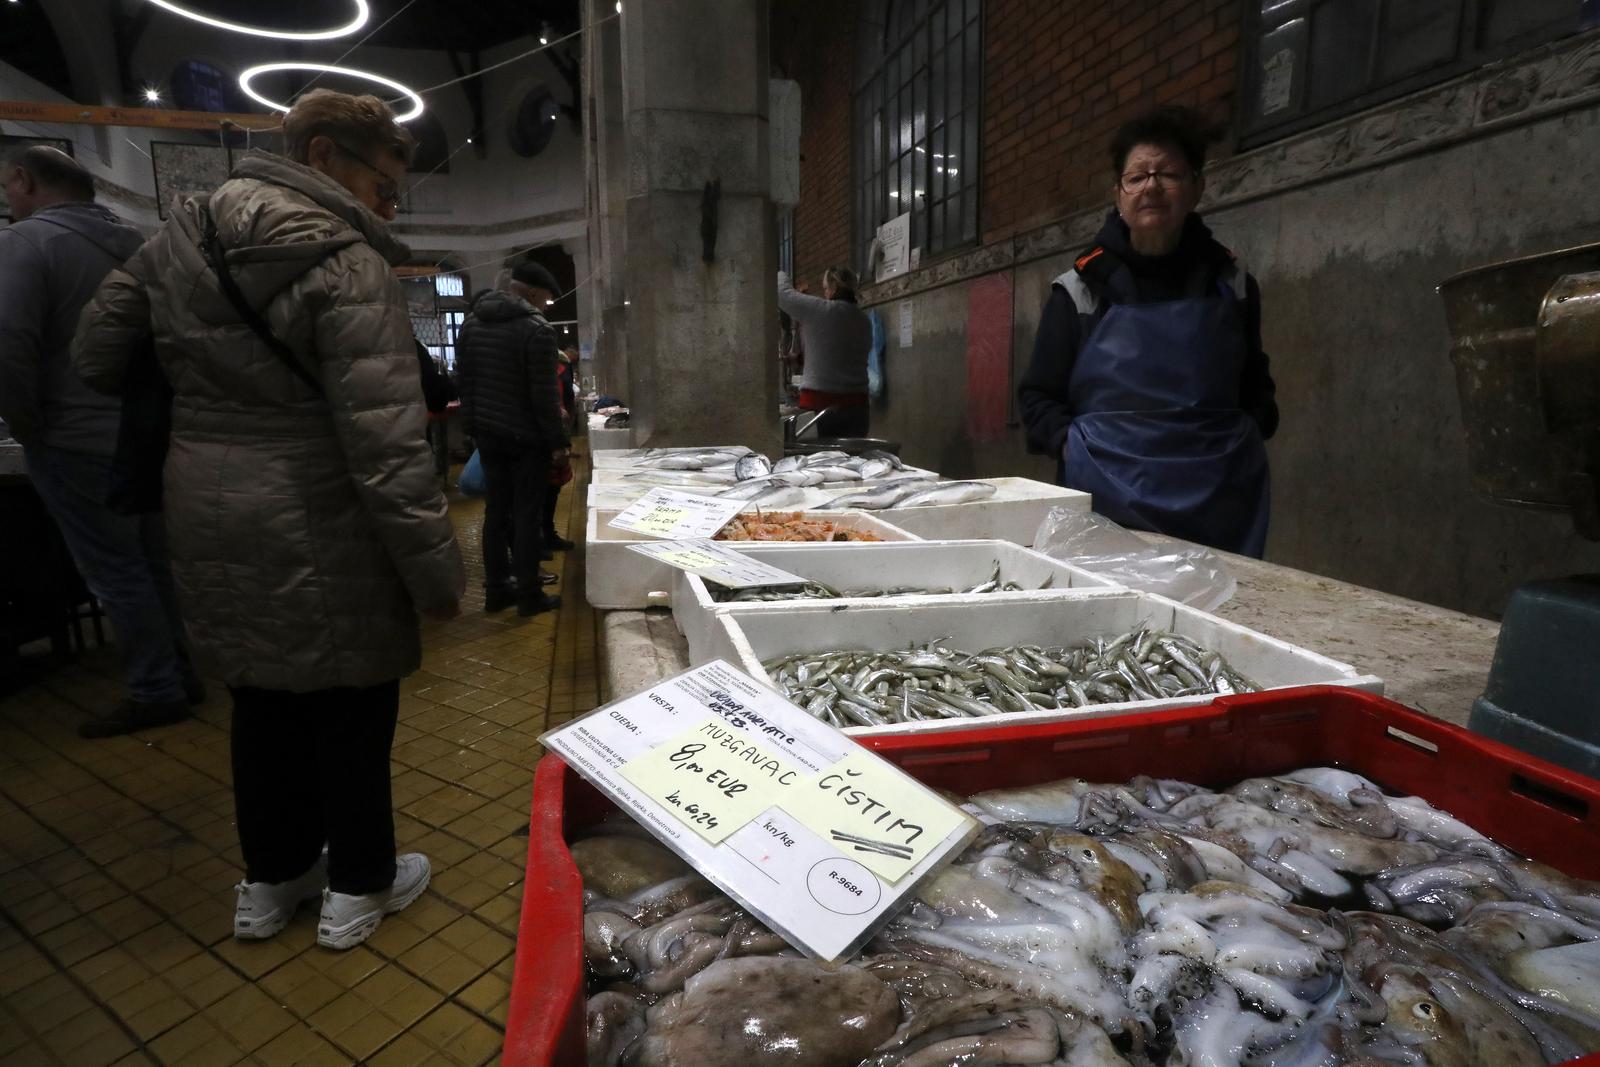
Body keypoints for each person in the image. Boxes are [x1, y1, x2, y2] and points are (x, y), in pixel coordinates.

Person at [72, 89, 465, 950]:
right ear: (323, 156)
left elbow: (95, 354)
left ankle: (271, 880)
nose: (385, 206)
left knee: (260, 700)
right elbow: (387, 449)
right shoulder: (346, 260)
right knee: (353, 704)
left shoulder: (176, 236)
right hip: (323, 505)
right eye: (384, 185)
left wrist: (208, 386)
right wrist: (438, 576)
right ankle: (359, 887)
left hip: (206, 499)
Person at [0, 145, 200, 737]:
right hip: (145, 435)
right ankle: (182, 672)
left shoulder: (27, 244)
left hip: (74, 436)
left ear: (22, 179)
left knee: (115, 571)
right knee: (155, 564)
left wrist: (29, 425)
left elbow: (9, 342)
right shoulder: (139, 244)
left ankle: (155, 687)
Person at [1018, 106, 1279, 557]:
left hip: (1218, 504)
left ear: (1198, 186)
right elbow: (1038, 398)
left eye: (1169, 174)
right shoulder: (1079, 290)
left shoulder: (1231, 285)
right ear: (1118, 194)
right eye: (1137, 177)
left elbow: (1255, 384)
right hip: (1106, 508)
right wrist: (1071, 447)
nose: (1152, 186)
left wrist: (1250, 431)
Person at [455, 261, 570, 615]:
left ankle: (497, 591)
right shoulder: (537, 330)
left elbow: (466, 383)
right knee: (526, 516)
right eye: (546, 298)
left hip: (488, 436)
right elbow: (544, 398)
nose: (545, 305)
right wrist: (558, 444)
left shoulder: (472, 325)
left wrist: (473, 429)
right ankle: (530, 595)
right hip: (526, 441)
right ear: (533, 292)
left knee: (496, 512)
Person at [777, 266, 872, 438]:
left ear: (834, 288)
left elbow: (781, 293)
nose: (825, 293)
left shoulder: (820, 309)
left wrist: (779, 269)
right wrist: (799, 358)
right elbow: (838, 352)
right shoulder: (863, 320)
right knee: (852, 461)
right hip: (858, 411)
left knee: (818, 462)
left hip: (821, 410)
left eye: (825, 289)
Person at [544, 346, 578, 554]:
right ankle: (539, 542)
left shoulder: (562, 367)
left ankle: (548, 535)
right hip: (541, 438)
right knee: (539, 492)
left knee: (553, 488)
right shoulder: (533, 369)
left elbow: (568, 400)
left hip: (557, 435)